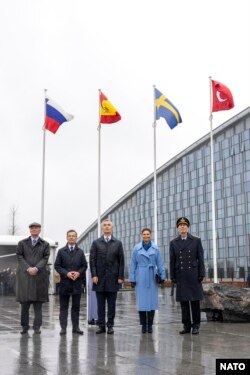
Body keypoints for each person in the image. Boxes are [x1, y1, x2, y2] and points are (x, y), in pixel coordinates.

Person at [170, 217, 205, 335]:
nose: (182, 227)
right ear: (178, 228)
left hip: (194, 275)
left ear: (188, 227)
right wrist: (173, 276)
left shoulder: (196, 240)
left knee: (195, 302)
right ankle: (186, 326)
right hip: (181, 275)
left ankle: (196, 325)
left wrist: (201, 274)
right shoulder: (173, 242)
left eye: (185, 225)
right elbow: (172, 261)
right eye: (180, 226)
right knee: (184, 303)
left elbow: (200, 259)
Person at [90, 218, 124, 334]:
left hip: (113, 279)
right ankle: (101, 326)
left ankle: (110, 325)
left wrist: (120, 277)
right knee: (100, 305)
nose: (107, 227)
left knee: (111, 305)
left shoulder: (118, 243)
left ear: (112, 227)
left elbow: (121, 261)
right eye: (105, 225)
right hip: (99, 279)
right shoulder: (96, 243)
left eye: (109, 225)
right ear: (102, 228)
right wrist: (94, 274)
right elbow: (92, 260)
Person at [16, 222, 50, 334]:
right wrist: (28, 268)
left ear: (40, 230)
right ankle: (25, 327)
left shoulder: (45, 244)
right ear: (29, 230)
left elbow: (45, 258)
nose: (34, 230)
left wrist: (36, 268)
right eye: (32, 228)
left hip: (39, 278)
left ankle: (37, 327)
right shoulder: (22, 243)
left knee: (38, 306)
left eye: (36, 228)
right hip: (25, 278)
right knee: (24, 305)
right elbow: (19, 256)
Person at [129, 227, 166, 333]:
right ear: (141, 235)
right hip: (140, 275)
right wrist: (132, 278)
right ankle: (143, 325)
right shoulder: (136, 248)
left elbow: (160, 263)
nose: (146, 236)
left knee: (152, 302)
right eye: (144, 234)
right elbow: (132, 264)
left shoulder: (156, 248)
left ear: (151, 235)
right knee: (141, 302)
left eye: (148, 234)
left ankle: (150, 325)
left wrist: (162, 276)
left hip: (152, 276)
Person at [54, 229, 87, 335]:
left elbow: (84, 266)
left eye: (73, 236)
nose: (71, 237)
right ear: (67, 237)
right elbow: (57, 265)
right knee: (63, 307)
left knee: (76, 307)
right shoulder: (61, 251)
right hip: (64, 284)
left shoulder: (80, 252)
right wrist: (66, 273)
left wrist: (78, 273)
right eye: (70, 236)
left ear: (76, 238)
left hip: (77, 284)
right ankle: (63, 328)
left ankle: (75, 327)